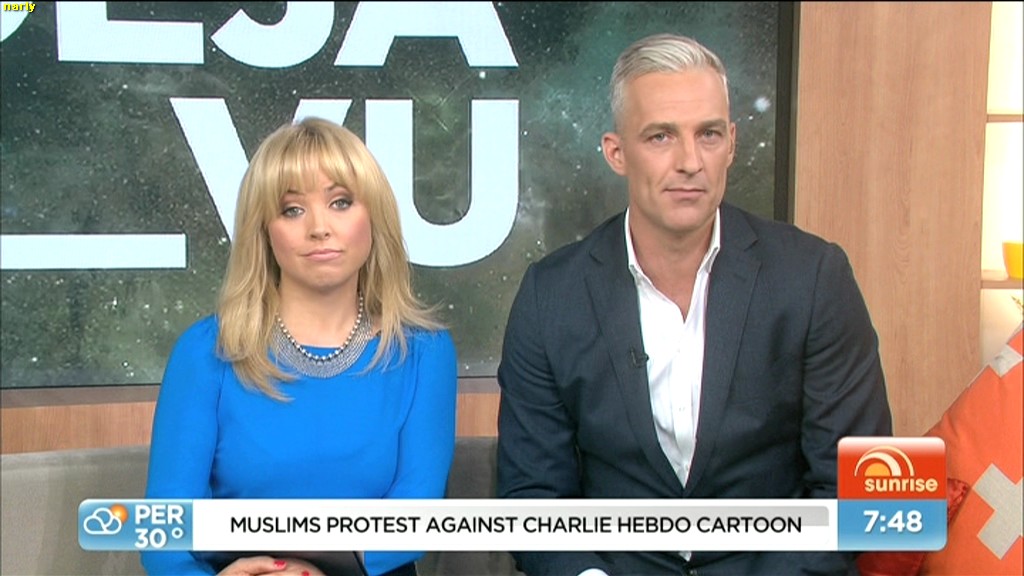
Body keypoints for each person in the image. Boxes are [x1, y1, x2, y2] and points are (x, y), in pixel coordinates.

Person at [496, 33, 893, 575]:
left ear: (731, 144)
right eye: (660, 136)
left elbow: (858, 490)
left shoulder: (813, 278)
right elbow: (533, 499)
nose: (690, 162)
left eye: (708, 134)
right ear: (616, 152)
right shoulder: (551, 296)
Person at [142, 117, 458, 576]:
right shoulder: (205, 352)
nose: (319, 228)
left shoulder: (425, 352)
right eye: (292, 210)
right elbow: (163, 536)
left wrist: (311, 571)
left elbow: (418, 513)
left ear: (374, 217)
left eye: (340, 202)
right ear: (264, 231)